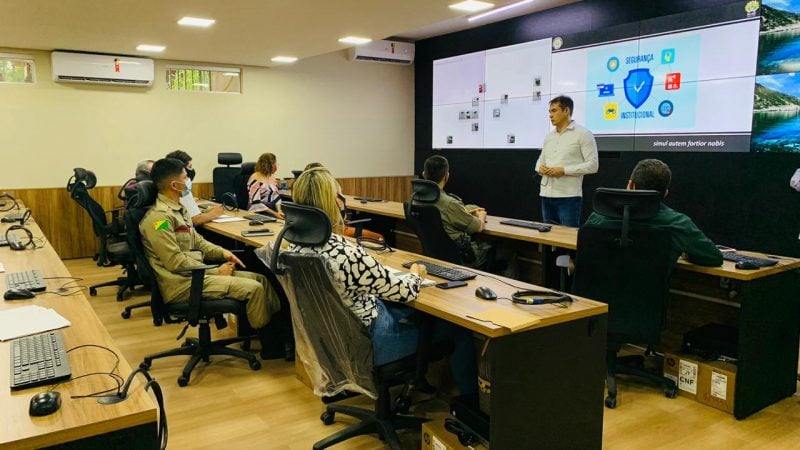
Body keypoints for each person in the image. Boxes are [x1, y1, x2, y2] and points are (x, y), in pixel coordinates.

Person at [288, 167, 478, 396]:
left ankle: (417, 381)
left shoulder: (294, 249)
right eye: (339, 194)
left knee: (407, 311)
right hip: (374, 344)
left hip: (335, 342)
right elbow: (405, 292)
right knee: (457, 329)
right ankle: (468, 406)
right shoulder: (347, 253)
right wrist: (416, 273)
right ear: (333, 202)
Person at [139, 158, 290, 359]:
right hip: (182, 284)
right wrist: (216, 270)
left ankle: (282, 337)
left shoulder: (178, 210)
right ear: (174, 185)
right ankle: (271, 347)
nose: (188, 181)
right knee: (255, 289)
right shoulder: (159, 219)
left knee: (261, 279)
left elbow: (198, 242)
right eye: (185, 178)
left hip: (195, 275)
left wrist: (223, 252)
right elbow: (174, 262)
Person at [585, 159, 723, 266]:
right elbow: (714, 257)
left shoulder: (598, 217)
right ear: (665, 194)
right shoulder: (678, 224)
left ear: (631, 185)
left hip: (594, 294)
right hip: (648, 295)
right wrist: (684, 252)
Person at [535, 95, 599, 227]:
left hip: (568, 196)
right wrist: (540, 168)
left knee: (567, 236)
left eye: (554, 111)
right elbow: (539, 162)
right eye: (549, 111)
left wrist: (564, 170)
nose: (550, 115)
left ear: (566, 111)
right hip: (546, 194)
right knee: (547, 236)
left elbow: (593, 165)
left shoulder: (583, 134)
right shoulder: (549, 136)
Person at [421, 155, 492, 269]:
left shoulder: (416, 199)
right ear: (446, 176)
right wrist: (481, 215)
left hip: (432, 254)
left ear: (424, 174)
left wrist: (464, 211)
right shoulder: (450, 203)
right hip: (461, 257)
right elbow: (478, 227)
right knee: (507, 250)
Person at [303, 162, 383, 240]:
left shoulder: (302, 193)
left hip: (312, 231)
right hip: (335, 230)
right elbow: (342, 218)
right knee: (380, 237)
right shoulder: (334, 194)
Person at [165, 150, 224, 226]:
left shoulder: (176, 195)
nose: (187, 180)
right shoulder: (180, 192)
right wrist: (214, 214)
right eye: (185, 177)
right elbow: (193, 220)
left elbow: (181, 220)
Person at [247, 152, 284, 219]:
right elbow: (256, 203)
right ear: (268, 165)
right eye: (274, 163)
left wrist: (279, 211)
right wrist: (275, 214)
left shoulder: (272, 177)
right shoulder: (255, 178)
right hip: (257, 212)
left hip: (272, 211)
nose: (276, 166)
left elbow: (276, 196)